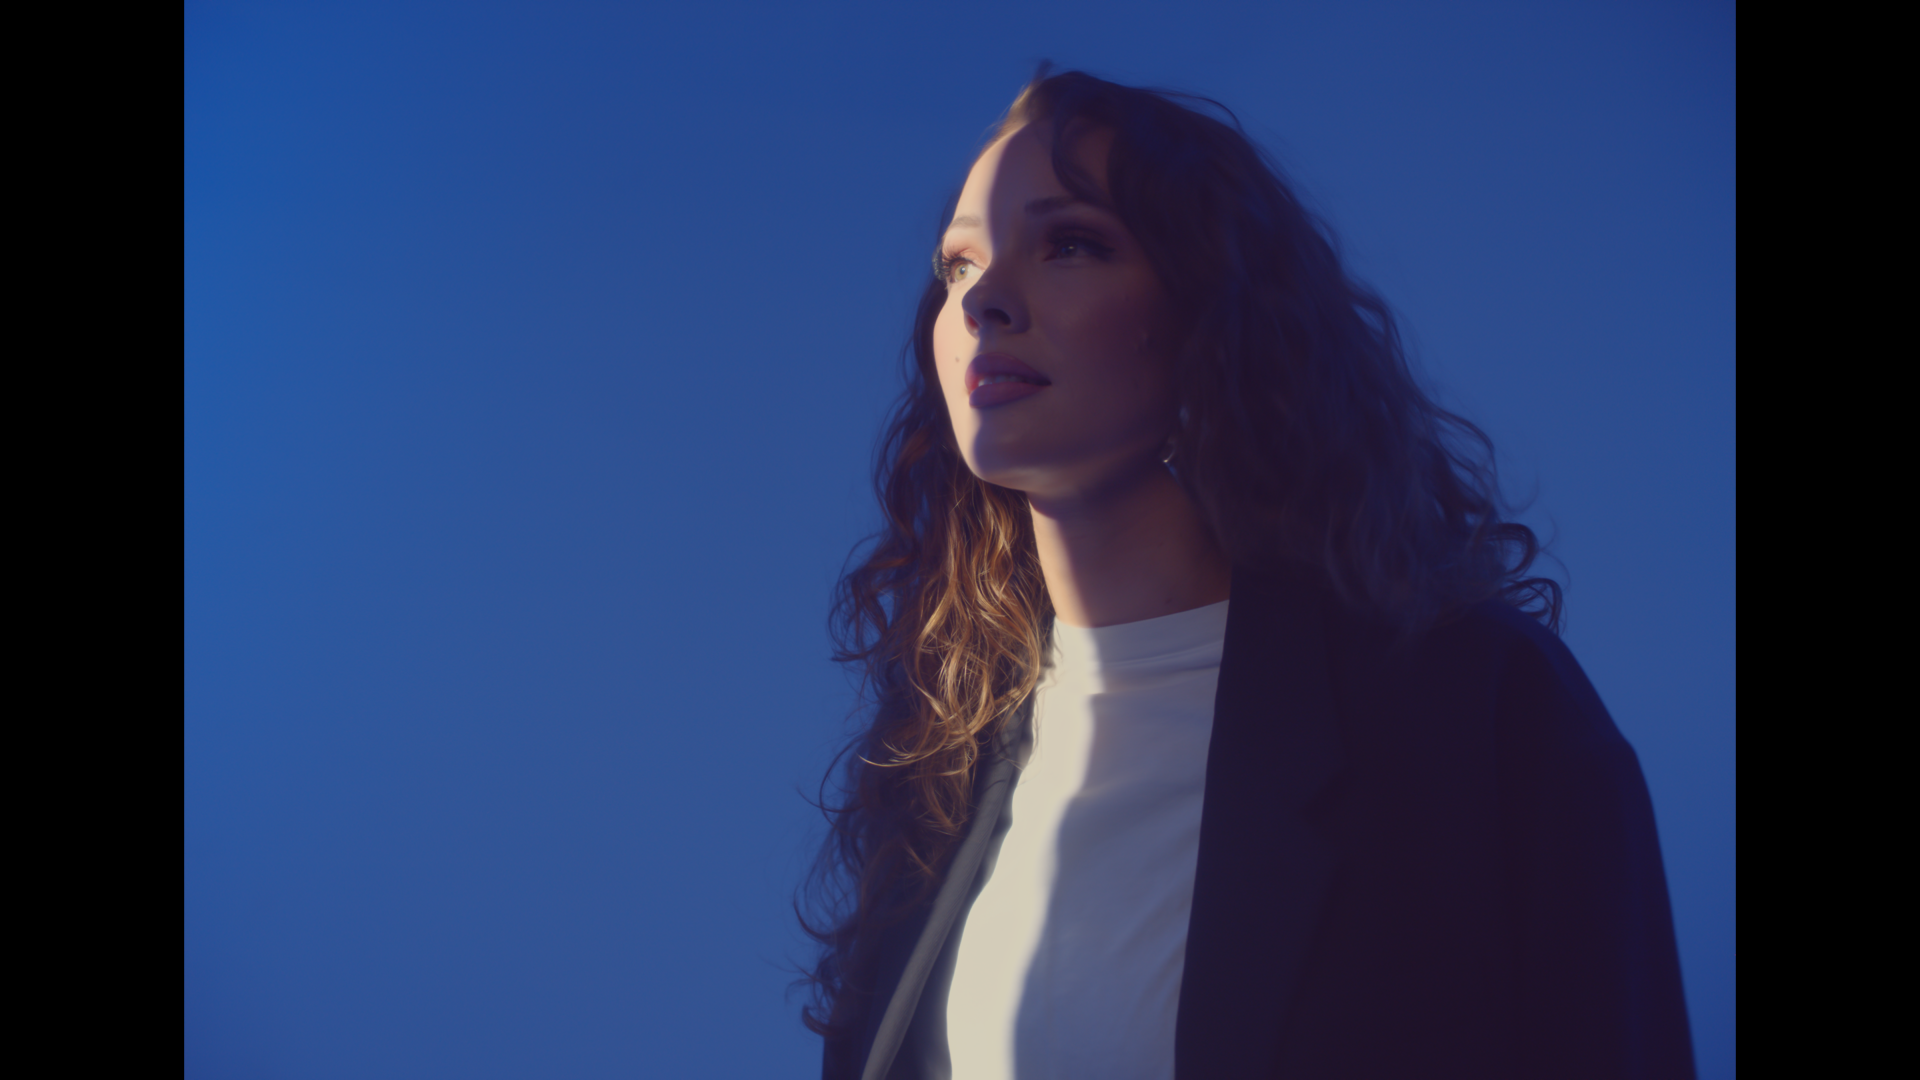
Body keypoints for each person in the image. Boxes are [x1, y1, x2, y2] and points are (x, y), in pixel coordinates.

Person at [799, 68, 1693, 1080]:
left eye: (1071, 244)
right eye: (960, 265)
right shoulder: (943, 762)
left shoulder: (1478, 711)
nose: (986, 301)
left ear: (1208, 319)